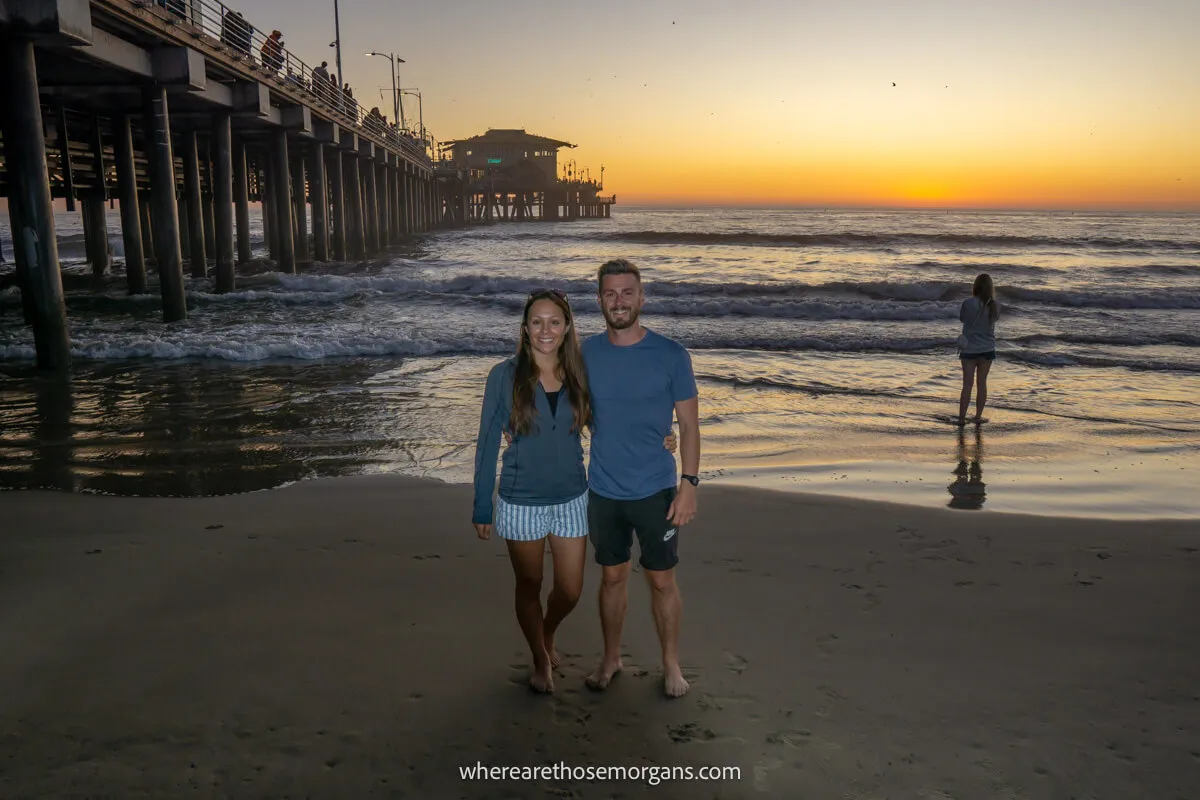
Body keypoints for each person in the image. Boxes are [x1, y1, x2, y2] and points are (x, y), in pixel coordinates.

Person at [473, 289, 675, 694]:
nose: (545, 330)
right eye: (536, 321)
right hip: (519, 499)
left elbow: (612, 419)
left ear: (566, 328)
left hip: (572, 497)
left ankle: (547, 632)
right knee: (529, 585)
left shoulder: (581, 373)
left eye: (554, 321)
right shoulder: (503, 375)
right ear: (525, 328)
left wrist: (659, 437)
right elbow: (487, 441)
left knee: (570, 590)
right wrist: (482, 505)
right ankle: (540, 658)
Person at [582, 258, 700, 698]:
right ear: (599, 300)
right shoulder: (585, 353)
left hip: (656, 490)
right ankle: (611, 658)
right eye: (610, 293)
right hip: (604, 490)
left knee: (661, 579)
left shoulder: (671, 355)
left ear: (641, 297)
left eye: (627, 292)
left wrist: (689, 484)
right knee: (611, 577)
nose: (619, 301)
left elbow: (689, 425)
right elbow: (561, 402)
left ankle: (671, 664)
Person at [957, 273, 1000, 425]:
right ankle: (977, 417)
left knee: (967, 385)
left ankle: (962, 418)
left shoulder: (967, 303)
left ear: (975, 286)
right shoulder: (994, 305)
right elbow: (995, 320)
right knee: (982, 384)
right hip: (987, 349)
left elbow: (962, 319)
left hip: (969, 350)